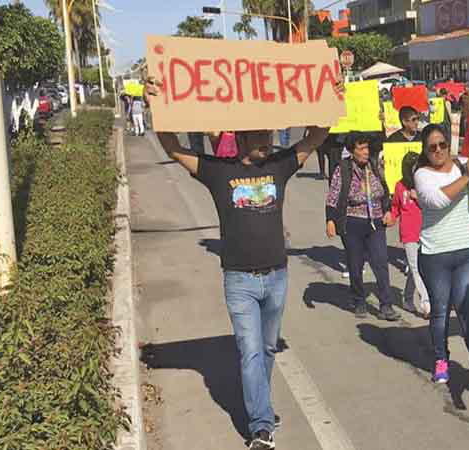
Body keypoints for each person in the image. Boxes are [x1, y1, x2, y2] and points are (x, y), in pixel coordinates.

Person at [146, 77, 340, 450]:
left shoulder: (280, 166)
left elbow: (316, 137)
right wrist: (158, 105)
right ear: (242, 136)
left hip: (278, 278)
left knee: (266, 350)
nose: (266, 140)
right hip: (239, 281)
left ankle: (260, 405)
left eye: (268, 133)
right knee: (250, 351)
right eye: (258, 135)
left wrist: (330, 96)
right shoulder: (219, 171)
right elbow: (172, 146)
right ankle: (261, 425)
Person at [414, 123, 469, 394]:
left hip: (466, 252)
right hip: (435, 256)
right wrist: (467, 177)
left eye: (443, 144)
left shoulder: (463, 163)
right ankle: (441, 359)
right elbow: (436, 201)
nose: (439, 150)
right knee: (440, 312)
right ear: (426, 151)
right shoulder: (422, 175)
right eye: (433, 147)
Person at [325, 133, 401, 321]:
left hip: (375, 221)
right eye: (361, 149)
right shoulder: (342, 169)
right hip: (352, 222)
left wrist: (389, 210)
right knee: (355, 263)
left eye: (367, 148)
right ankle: (358, 299)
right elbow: (333, 196)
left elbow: (386, 189)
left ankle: (386, 305)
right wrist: (330, 220)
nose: (366, 152)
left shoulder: (374, 166)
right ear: (351, 151)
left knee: (381, 262)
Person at [391, 152, 430, 316]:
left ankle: (407, 299)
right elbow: (395, 207)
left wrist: (419, 198)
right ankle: (427, 303)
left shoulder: (424, 184)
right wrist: (390, 217)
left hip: (425, 231)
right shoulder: (399, 186)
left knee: (421, 268)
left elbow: (432, 205)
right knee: (415, 268)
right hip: (408, 233)